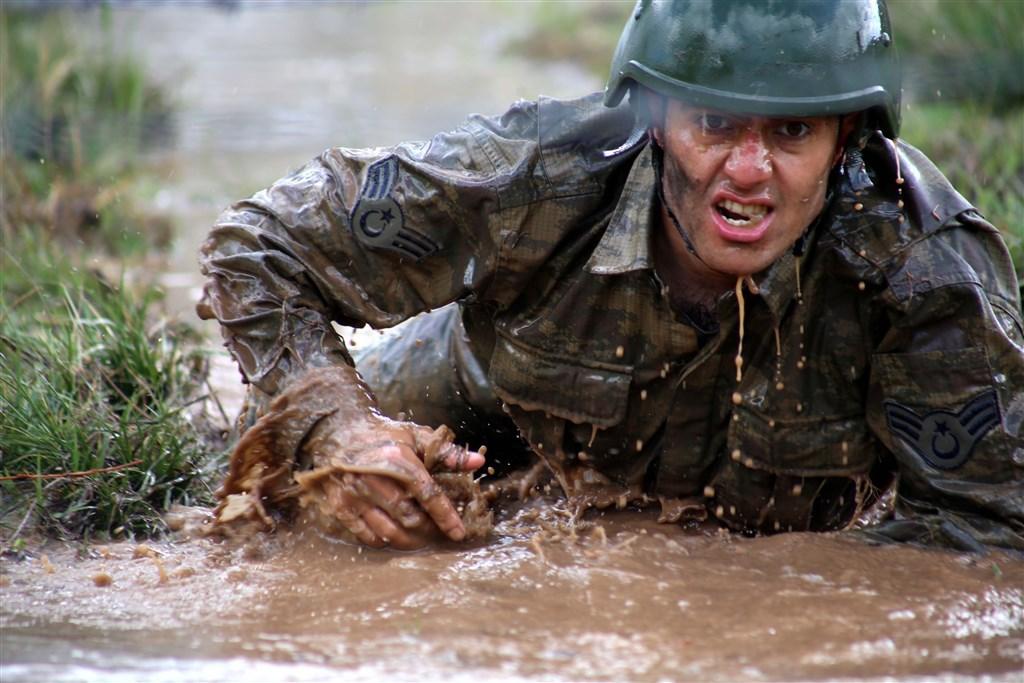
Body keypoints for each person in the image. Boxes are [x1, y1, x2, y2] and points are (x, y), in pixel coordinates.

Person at [197, 0, 1024, 552]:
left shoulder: (927, 277)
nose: (748, 169)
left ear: (847, 142)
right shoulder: (533, 178)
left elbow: (986, 538)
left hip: (783, 510)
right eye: (714, 122)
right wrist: (339, 430)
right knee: (301, 492)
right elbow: (259, 245)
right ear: (656, 116)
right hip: (489, 384)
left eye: (793, 132)